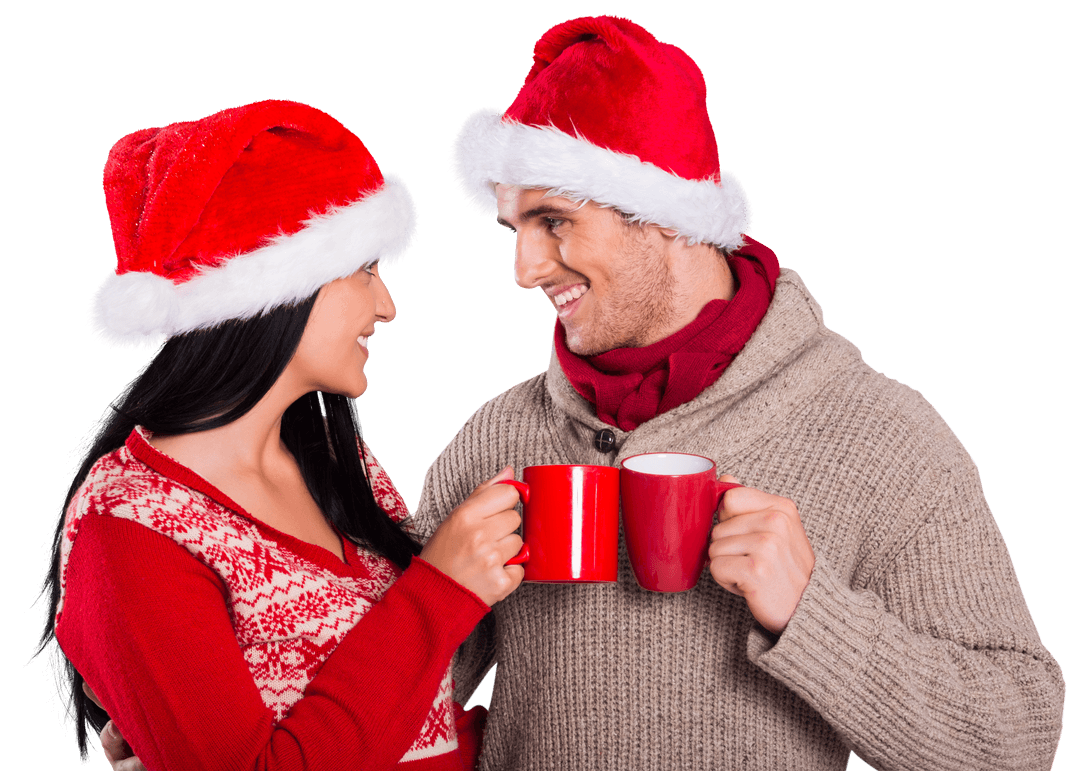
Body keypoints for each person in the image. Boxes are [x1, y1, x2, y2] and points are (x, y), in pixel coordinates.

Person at [413, 15, 1065, 770]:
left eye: (554, 221)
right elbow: (373, 715)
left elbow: (1017, 738)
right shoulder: (498, 438)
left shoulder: (880, 434)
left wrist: (811, 615)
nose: (526, 269)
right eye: (514, 229)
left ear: (665, 216)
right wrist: (436, 591)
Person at [30, 99, 527, 771]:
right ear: (282, 288)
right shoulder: (126, 529)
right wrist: (441, 587)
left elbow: (409, 717)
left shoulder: (335, 457)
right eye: (367, 270)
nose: (387, 306)